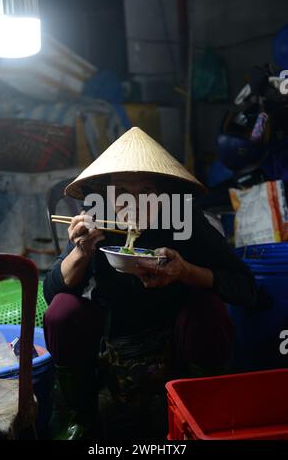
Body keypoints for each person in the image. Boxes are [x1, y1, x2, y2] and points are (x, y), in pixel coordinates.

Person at [43, 127, 257, 440]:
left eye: (146, 190)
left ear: (163, 193)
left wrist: (185, 271)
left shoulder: (186, 220)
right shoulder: (95, 218)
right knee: (64, 311)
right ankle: (79, 420)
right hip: (112, 336)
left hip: (176, 334)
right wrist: (81, 250)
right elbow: (52, 294)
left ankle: (201, 418)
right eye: (122, 191)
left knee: (208, 309)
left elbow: (245, 288)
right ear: (107, 191)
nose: (134, 202)